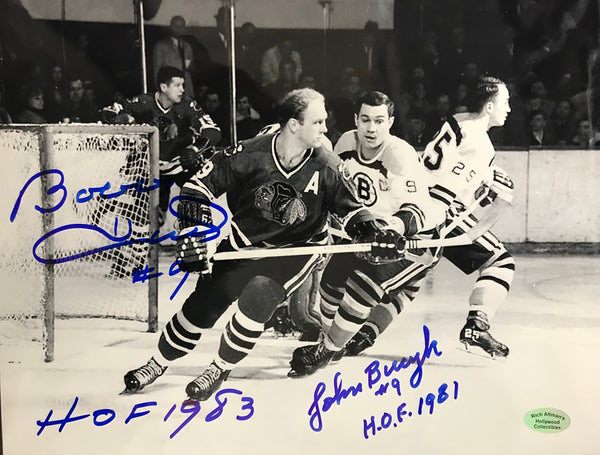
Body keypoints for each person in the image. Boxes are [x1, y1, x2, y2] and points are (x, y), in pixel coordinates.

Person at [121, 88, 404, 400]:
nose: (326, 129)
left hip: (296, 251)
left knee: (258, 294)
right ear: (294, 125)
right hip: (244, 243)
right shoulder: (250, 152)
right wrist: (192, 232)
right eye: (318, 122)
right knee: (203, 304)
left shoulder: (327, 164)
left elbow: (353, 211)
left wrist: (375, 234)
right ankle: (157, 362)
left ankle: (219, 367)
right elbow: (197, 186)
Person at [342, 76, 516, 359]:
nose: (508, 108)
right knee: (501, 261)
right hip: (438, 215)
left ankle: (364, 335)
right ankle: (477, 324)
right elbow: (455, 191)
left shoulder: (459, 121)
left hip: (419, 207)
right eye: (505, 102)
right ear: (489, 105)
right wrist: (496, 190)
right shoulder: (481, 143)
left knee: (412, 282)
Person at [288, 91, 446, 376]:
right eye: (365, 120)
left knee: (363, 286)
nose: (371, 128)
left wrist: (391, 229)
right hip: (365, 235)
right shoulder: (346, 143)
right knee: (329, 285)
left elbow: (417, 208)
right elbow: (335, 189)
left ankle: (329, 350)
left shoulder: (399, 154)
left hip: (413, 240)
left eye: (379, 121)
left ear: (391, 122)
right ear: (355, 121)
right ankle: (333, 338)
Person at [102, 66, 221, 224]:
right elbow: (108, 112)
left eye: (183, 85)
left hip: (179, 164)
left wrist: (194, 149)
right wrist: (122, 118)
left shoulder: (187, 105)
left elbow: (213, 131)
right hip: (149, 168)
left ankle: (195, 230)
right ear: (164, 87)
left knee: (196, 191)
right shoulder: (142, 103)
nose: (182, 90)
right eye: (177, 85)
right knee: (149, 218)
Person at [152, 15, 195, 98]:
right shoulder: (161, 46)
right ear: (171, 27)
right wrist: (161, 92)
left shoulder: (187, 46)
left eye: (181, 26)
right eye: (176, 26)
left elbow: (191, 70)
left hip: (186, 90)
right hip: (170, 90)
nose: (178, 29)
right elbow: (156, 71)